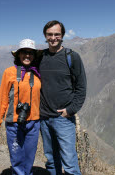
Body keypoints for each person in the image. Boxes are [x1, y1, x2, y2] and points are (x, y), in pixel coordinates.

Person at [39, 20, 87, 175]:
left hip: (63, 119)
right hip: (44, 118)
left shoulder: (72, 57)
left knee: (70, 164)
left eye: (56, 34)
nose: (53, 37)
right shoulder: (40, 57)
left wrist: (71, 110)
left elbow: (81, 87)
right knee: (52, 161)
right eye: (50, 34)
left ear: (62, 36)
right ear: (45, 36)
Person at [0, 39, 42, 175]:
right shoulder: (9, 72)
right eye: (24, 52)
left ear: (34, 55)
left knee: (29, 158)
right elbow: (3, 98)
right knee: (17, 158)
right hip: (14, 122)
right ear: (18, 55)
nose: (27, 55)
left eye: (30, 53)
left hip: (34, 122)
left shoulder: (37, 73)